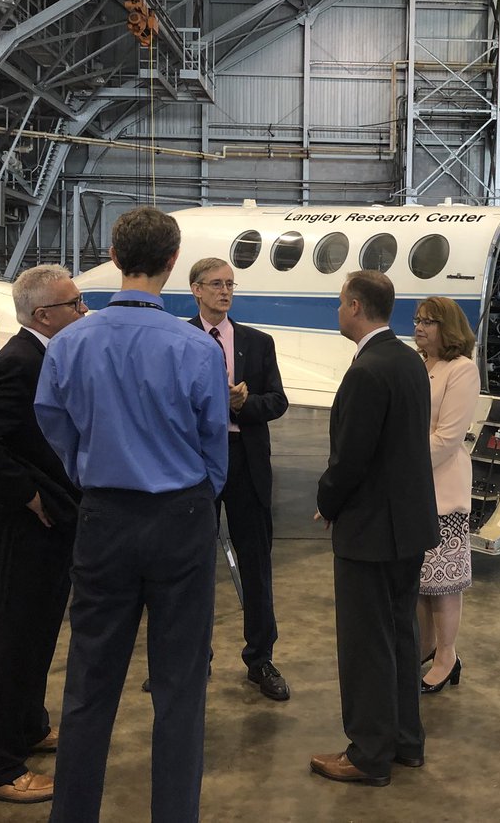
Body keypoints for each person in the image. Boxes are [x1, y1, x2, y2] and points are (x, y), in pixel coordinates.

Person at [34, 206, 229, 822]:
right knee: (179, 688)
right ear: (174, 265)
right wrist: (192, 494)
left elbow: (55, 425)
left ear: (114, 260)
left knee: (89, 683)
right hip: (181, 519)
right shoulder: (196, 347)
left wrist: (94, 474)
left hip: (104, 520)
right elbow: (213, 445)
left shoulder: (68, 343)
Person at [0, 264, 86, 804]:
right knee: (11, 645)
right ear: (45, 315)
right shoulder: (20, 363)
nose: (83, 311)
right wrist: (27, 494)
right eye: (74, 304)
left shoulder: (43, 356)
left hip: (47, 527)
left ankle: (29, 727)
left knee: (37, 636)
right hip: (19, 529)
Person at [311, 270, 439, 787]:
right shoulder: (409, 360)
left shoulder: (367, 371)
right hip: (408, 527)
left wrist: (328, 501)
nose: (338, 311)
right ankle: (405, 742)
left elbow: (351, 458)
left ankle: (368, 754)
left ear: (357, 307)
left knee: (367, 645)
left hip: (371, 531)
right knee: (400, 636)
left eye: (342, 303)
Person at [188, 256, 291, 701]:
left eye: (230, 284)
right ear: (196, 290)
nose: (225, 292)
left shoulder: (257, 342)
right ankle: (192, 658)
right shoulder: (180, 338)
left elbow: (278, 401)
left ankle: (261, 657)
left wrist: (242, 406)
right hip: (195, 463)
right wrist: (213, 406)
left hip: (245, 459)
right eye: (216, 284)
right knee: (191, 565)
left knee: (256, 563)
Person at [411, 296, 480, 694]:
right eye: (418, 320)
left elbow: (447, 439)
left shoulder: (462, 369)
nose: (420, 327)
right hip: (415, 489)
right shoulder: (420, 365)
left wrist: (401, 463)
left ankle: (447, 657)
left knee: (444, 586)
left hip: (442, 491)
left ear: (448, 328)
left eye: (430, 322)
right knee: (421, 583)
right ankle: (426, 649)